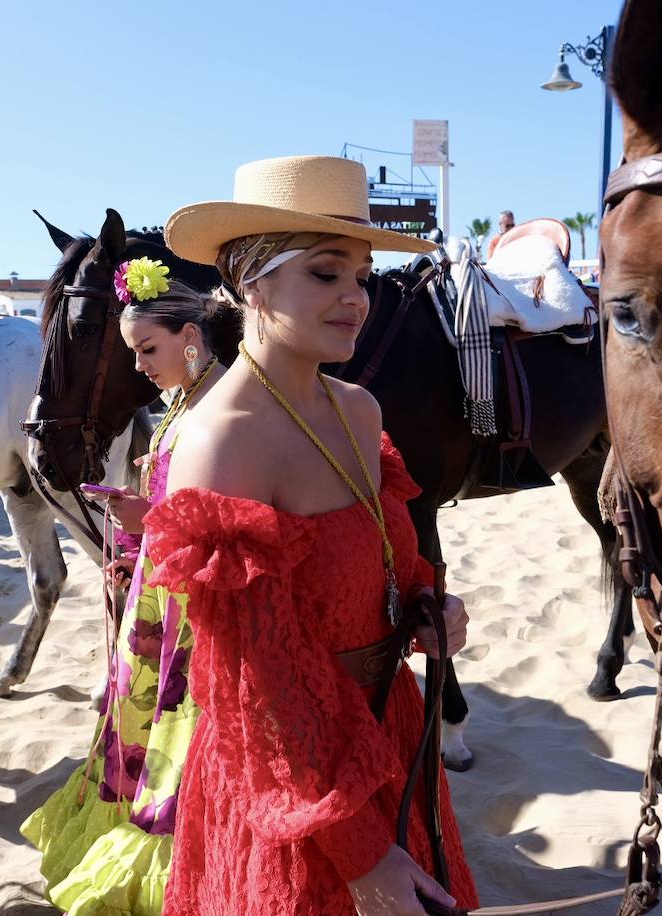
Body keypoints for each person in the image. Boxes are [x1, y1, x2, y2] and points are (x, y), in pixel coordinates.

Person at [148, 154, 479, 915]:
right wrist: (362, 854)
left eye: (361, 276)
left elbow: (393, 557)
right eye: (327, 274)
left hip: (390, 736)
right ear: (251, 283)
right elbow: (255, 684)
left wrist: (428, 604)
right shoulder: (221, 442)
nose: (356, 299)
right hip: (297, 781)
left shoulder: (360, 409)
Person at [21, 272, 237, 916]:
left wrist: (151, 522)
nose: (140, 366)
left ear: (190, 337)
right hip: (162, 581)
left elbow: (230, 518)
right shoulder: (184, 402)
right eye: (135, 352)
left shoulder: (219, 408)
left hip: (193, 600)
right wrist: (141, 536)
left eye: (148, 349)